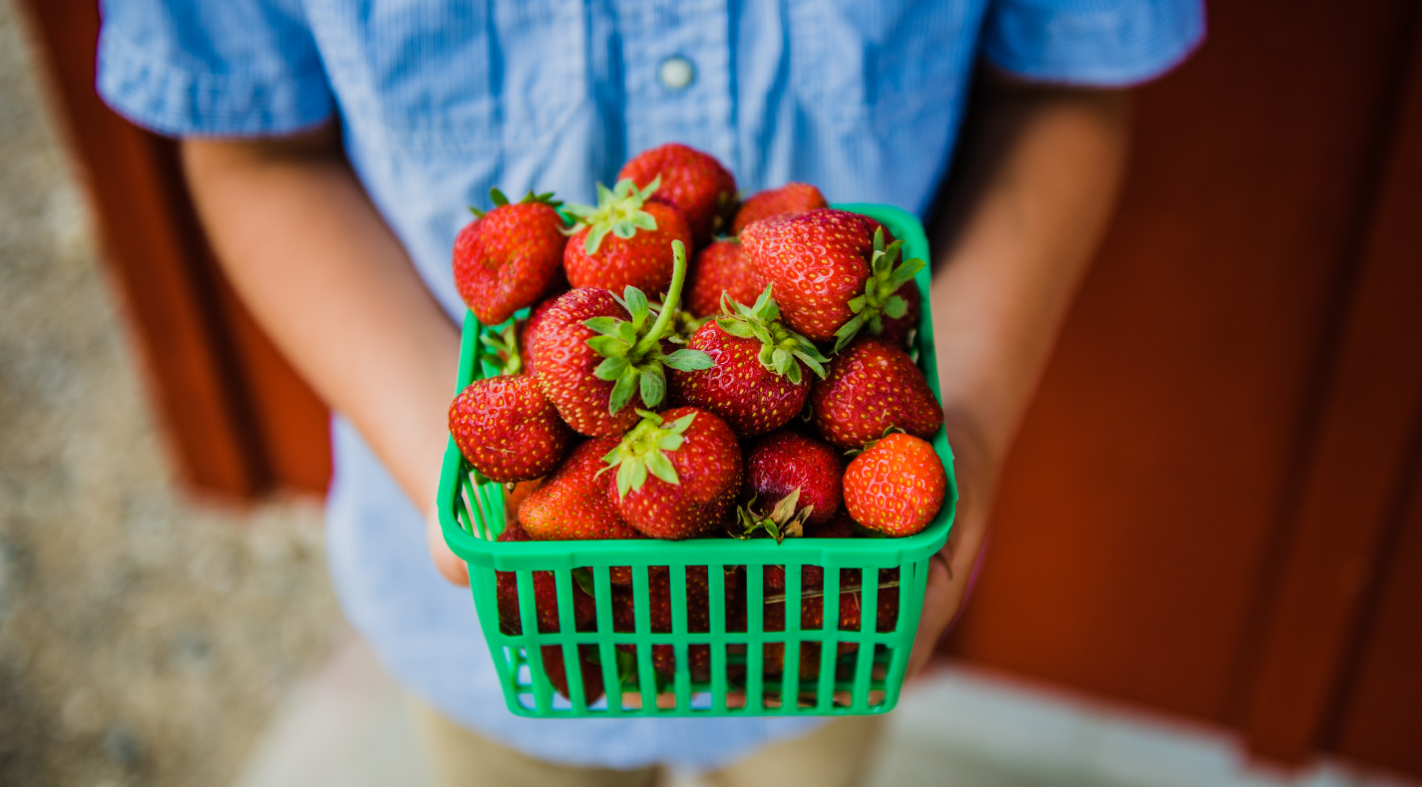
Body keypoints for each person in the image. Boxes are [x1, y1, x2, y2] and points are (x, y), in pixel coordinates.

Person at [97, 2, 1204, 785]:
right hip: (491, 634)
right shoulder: (579, 386)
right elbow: (253, 147)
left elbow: (1061, 85)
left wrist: (963, 425)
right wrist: (453, 458)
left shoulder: (778, 381)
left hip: (825, 612)